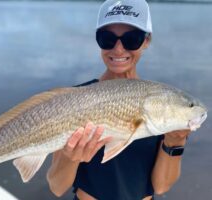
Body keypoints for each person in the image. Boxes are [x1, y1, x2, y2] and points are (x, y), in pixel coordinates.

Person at [46, 0, 190, 200]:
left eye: (132, 39)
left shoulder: (162, 105)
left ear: (146, 40)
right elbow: (57, 186)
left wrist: (176, 142)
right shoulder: (72, 100)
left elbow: (161, 186)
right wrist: (71, 159)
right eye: (107, 38)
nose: (119, 49)